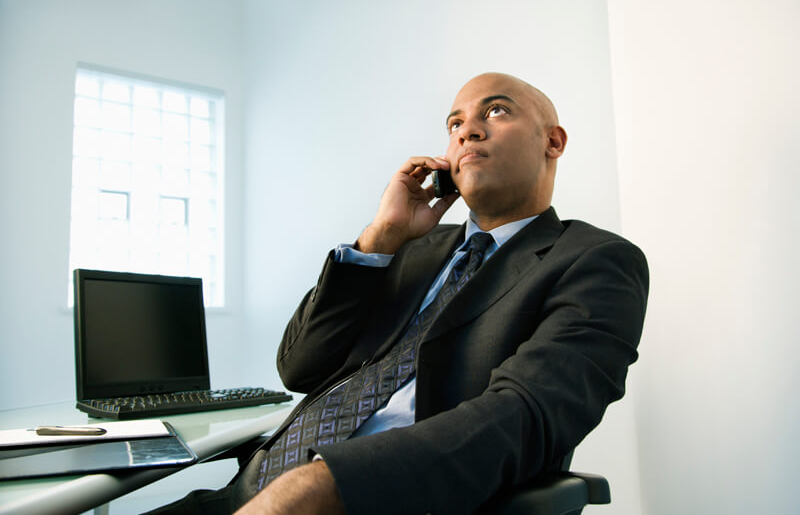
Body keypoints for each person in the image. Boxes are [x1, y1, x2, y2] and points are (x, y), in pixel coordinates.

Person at [151, 72, 648, 515]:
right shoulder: (411, 249)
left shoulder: (594, 261)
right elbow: (299, 367)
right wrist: (380, 238)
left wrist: (328, 483)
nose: (468, 130)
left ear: (553, 142)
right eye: (454, 124)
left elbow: (523, 417)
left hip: (369, 496)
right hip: (250, 490)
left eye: (496, 111)